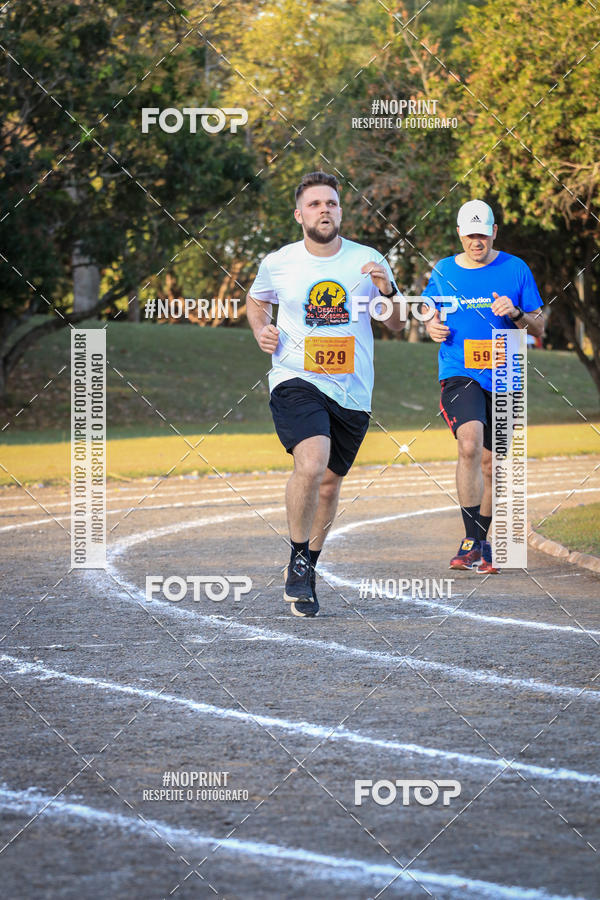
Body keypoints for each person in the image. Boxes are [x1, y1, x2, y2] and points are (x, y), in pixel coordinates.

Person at [247, 171, 404, 617]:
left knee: (331, 483)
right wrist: (262, 330)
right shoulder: (280, 262)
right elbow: (257, 300)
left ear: (340, 211)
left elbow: (395, 323)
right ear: (299, 215)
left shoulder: (368, 260)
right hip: (296, 378)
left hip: (352, 390)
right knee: (312, 463)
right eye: (315, 204)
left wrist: (388, 289)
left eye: (331, 203)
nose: (324, 210)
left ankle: (307, 567)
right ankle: (298, 559)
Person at [423, 199, 544, 573]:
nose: (477, 241)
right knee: (470, 443)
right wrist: (431, 325)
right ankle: (470, 540)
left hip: (506, 371)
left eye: (483, 234)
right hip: (460, 372)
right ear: (460, 233)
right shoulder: (443, 271)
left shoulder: (515, 268)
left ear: (494, 231)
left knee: (492, 464)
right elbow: (428, 309)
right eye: (470, 234)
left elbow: (540, 325)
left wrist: (517, 313)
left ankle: (480, 542)